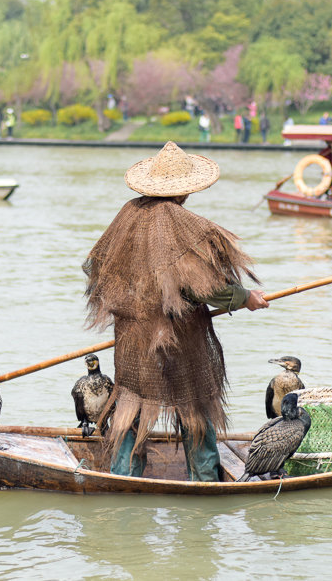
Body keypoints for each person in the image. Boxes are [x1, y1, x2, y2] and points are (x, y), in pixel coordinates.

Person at [84, 141, 268, 480]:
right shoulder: (184, 224)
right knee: (194, 407)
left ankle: (122, 479)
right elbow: (207, 287)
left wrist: (137, 303)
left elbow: (93, 267)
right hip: (181, 343)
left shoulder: (128, 214)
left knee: (131, 408)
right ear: (188, 188)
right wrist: (246, 298)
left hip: (133, 342)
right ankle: (206, 482)